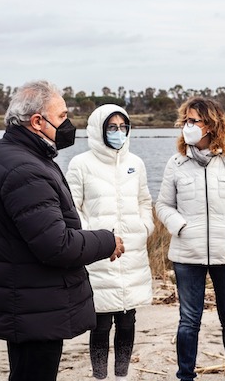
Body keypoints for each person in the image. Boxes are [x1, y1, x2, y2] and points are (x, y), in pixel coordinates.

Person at [0, 80, 125, 381]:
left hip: (25, 297)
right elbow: (56, 244)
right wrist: (107, 241)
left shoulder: (11, 153)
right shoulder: (25, 169)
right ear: (36, 121)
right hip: (34, 301)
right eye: (62, 117)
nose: (68, 124)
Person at [155, 97, 225, 381]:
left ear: (211, 124)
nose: (187, 126)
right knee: (188, 321)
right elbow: (163, 205)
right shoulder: (177, 163)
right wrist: (181, 226)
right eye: (185, 121)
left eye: (194, 120)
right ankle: (185, 376)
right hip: (187, 254)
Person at [66, 104, 154, 381]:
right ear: (98, 129)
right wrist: (92, 237)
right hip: (98, 253)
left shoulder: (135, 163)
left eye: (122, 127)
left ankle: (122, 375)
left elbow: (144, 201)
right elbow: (71, 208)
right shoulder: (81, 164)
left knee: (128, 318)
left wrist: (145, 227)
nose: (118, 132)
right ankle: (100, 375)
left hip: (132, 251)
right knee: (101, 319)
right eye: (112, 127)